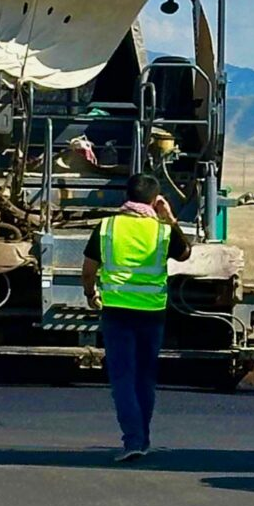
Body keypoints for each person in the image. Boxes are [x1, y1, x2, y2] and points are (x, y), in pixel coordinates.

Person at [81, 173, 192, 462]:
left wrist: (90, 293)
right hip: (152, 314)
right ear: (155, 202)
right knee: (145, 377)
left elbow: (89, 269)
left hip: (117, 312)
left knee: (122, 378)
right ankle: (142, 436)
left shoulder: (107, 227)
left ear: (125, 198)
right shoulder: (161, 231)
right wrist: (169, 218)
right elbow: (185, 253)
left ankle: (133, 439)